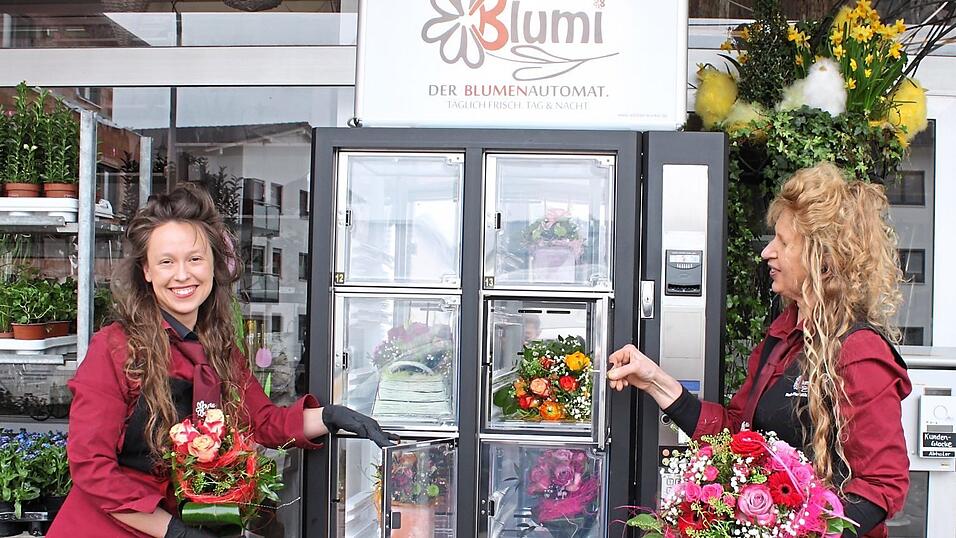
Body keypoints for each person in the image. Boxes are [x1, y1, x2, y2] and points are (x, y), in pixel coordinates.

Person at [47, 185, 398, 538]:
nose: (183, 274)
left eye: (195, 259)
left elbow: (263, 422)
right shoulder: (114, 348)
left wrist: (331, 416)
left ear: (214, 264)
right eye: (167, 261)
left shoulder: (219, 348)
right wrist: (173, 532)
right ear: (147, 271)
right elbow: (91, 466)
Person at [607, 162, 910, 538]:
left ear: (823, 257)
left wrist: (804, 532)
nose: (768, 251)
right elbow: (737, 433)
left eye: (783, 242)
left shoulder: (860, 351)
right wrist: (654, 380)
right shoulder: (783, 338)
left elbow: (882, 486)